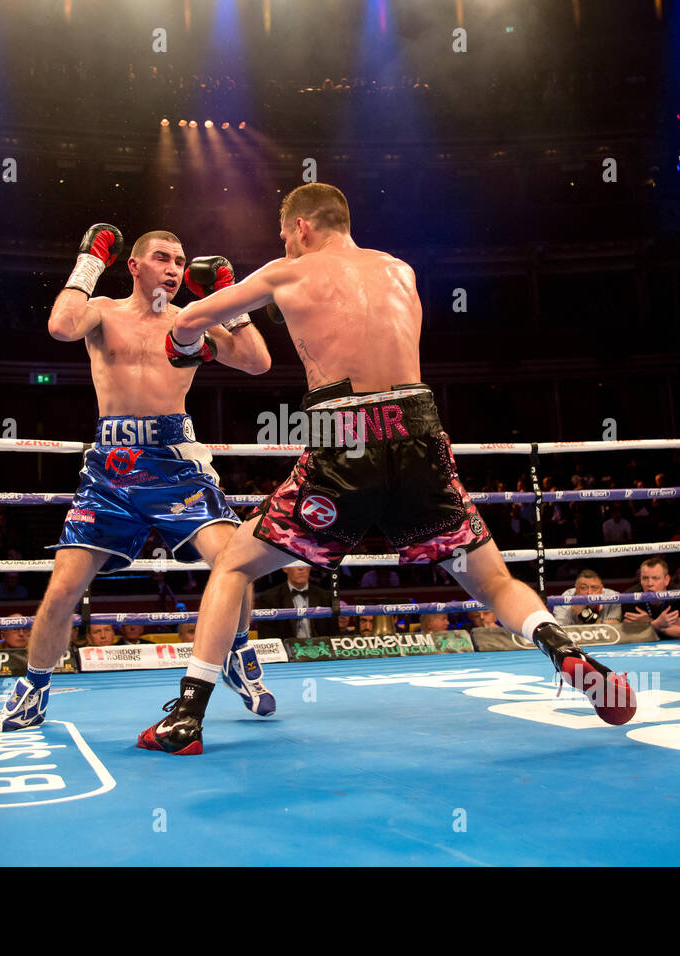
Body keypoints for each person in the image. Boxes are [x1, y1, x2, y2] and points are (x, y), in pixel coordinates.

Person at [138, 183, 635, 754]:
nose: (284, 242)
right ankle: (563, 648)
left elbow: (186, 325)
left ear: (301, 227)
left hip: (341, 430)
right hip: (418, 427)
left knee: (231, 565)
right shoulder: (401, 271)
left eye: (284, 233)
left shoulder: (283, 272)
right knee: (492, 579)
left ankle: (186, 718)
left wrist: (208, 319)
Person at [0, 225, 276, 733]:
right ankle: (32, 691)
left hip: (174, 463)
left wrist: (230, 297)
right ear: (133, 266)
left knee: (235, 561)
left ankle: (239, 653)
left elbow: (257, 362)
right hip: (110, 469)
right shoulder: (103, 311)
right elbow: (60, 326)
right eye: (162, 258)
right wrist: (89, 260)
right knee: (63, 588)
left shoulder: (194, 320)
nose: (174, 269)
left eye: (180, 262)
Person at [254, 566, 336, 642]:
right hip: (286, 653)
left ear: (310, 567)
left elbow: (333, 633)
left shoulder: (325, 596)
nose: (301, 568)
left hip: (321, 651)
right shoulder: (270, 598)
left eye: (304, 563)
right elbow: (266, 637)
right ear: (285, 568)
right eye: (295, 564)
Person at [622, 557, 680, 640]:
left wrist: (648, 622)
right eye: (645, 578)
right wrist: (658, 625)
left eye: (655, 578)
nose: (649, 583)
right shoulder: (630, 597)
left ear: (666, 580)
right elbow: (630, 635)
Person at [554, 569, 623, 626]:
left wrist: (585, 614)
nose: (589, 592)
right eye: (583, 588)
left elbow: (613, 629)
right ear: (576, 589)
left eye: (594, 588)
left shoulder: (613, 597)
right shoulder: (565, 599)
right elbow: (563, 631)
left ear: (601, 589)